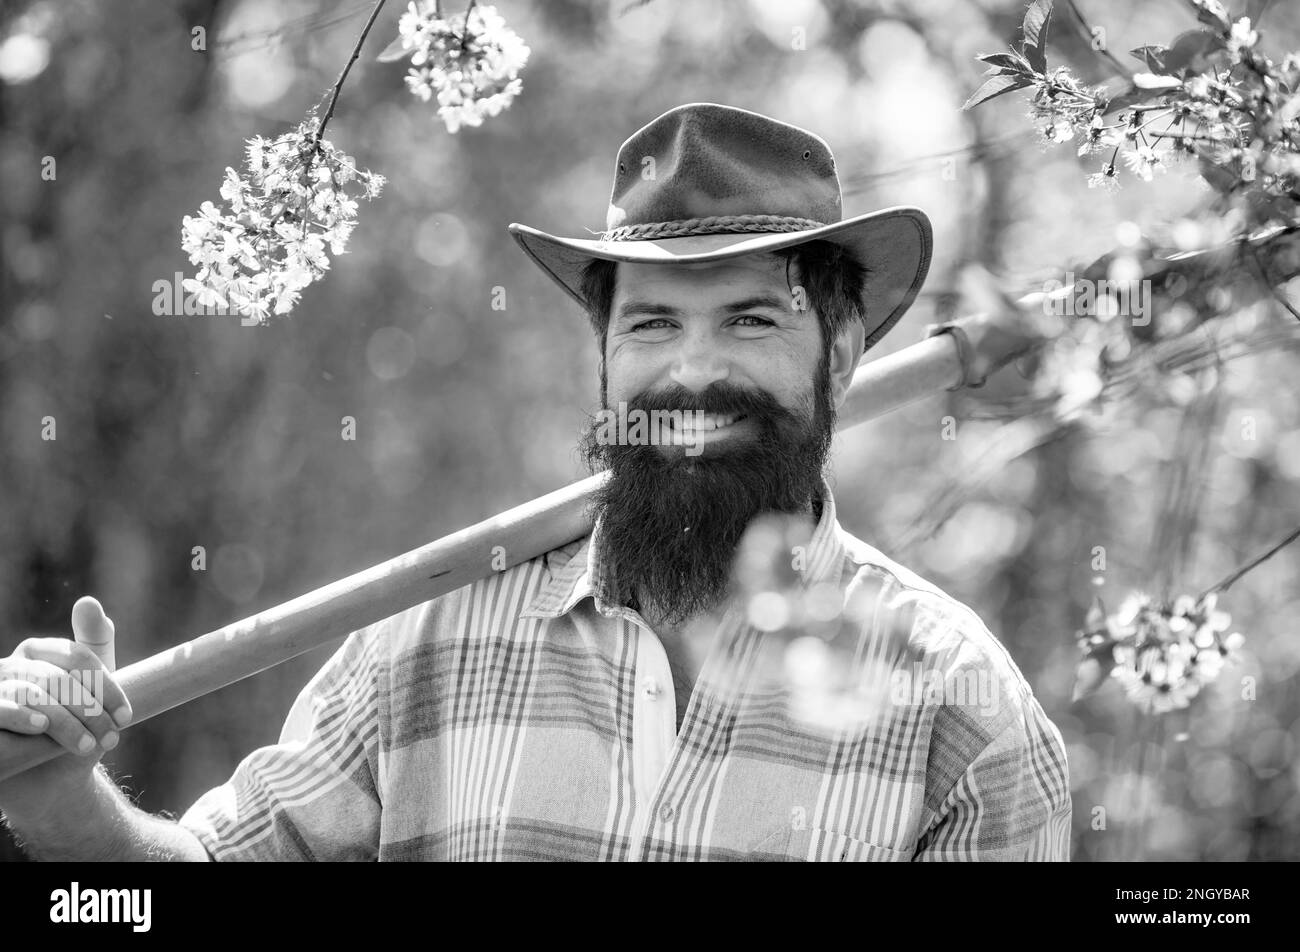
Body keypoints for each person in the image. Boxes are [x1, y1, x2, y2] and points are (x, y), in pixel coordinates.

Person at [0, 102, 1070, 861]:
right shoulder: (418, 642)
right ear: (601, 353)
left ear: (841, 352)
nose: (693, 371)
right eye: (652, 323)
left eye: (750, 318)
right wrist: (60, 800)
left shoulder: (961, 710)